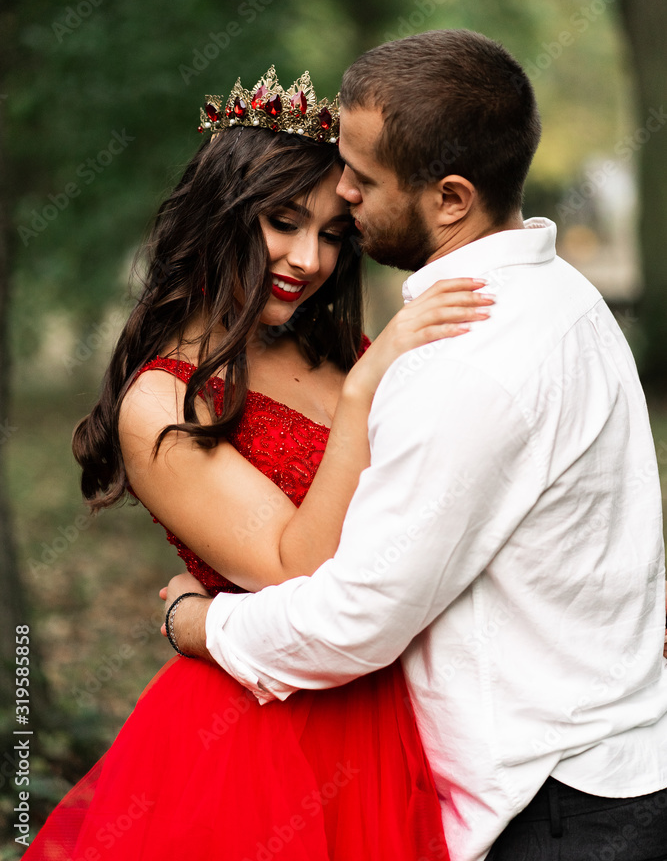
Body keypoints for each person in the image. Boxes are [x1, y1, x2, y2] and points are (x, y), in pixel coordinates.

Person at [165, 30, 667, 861]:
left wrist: (201, 623)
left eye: (361, 179)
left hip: (550, 804)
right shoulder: (567, 301)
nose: (345, 193)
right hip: (606, 766)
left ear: (450, 199)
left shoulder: (464, 360)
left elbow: (356, 621)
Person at [25, 66, 492, 860]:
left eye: (331, 234)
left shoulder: (338, 352)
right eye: (281, 223)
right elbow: (294, 569)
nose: (308, 259)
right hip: (262, 736)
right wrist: (363, 397)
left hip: (402, 697)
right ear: (222, 216)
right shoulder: (165, 402)